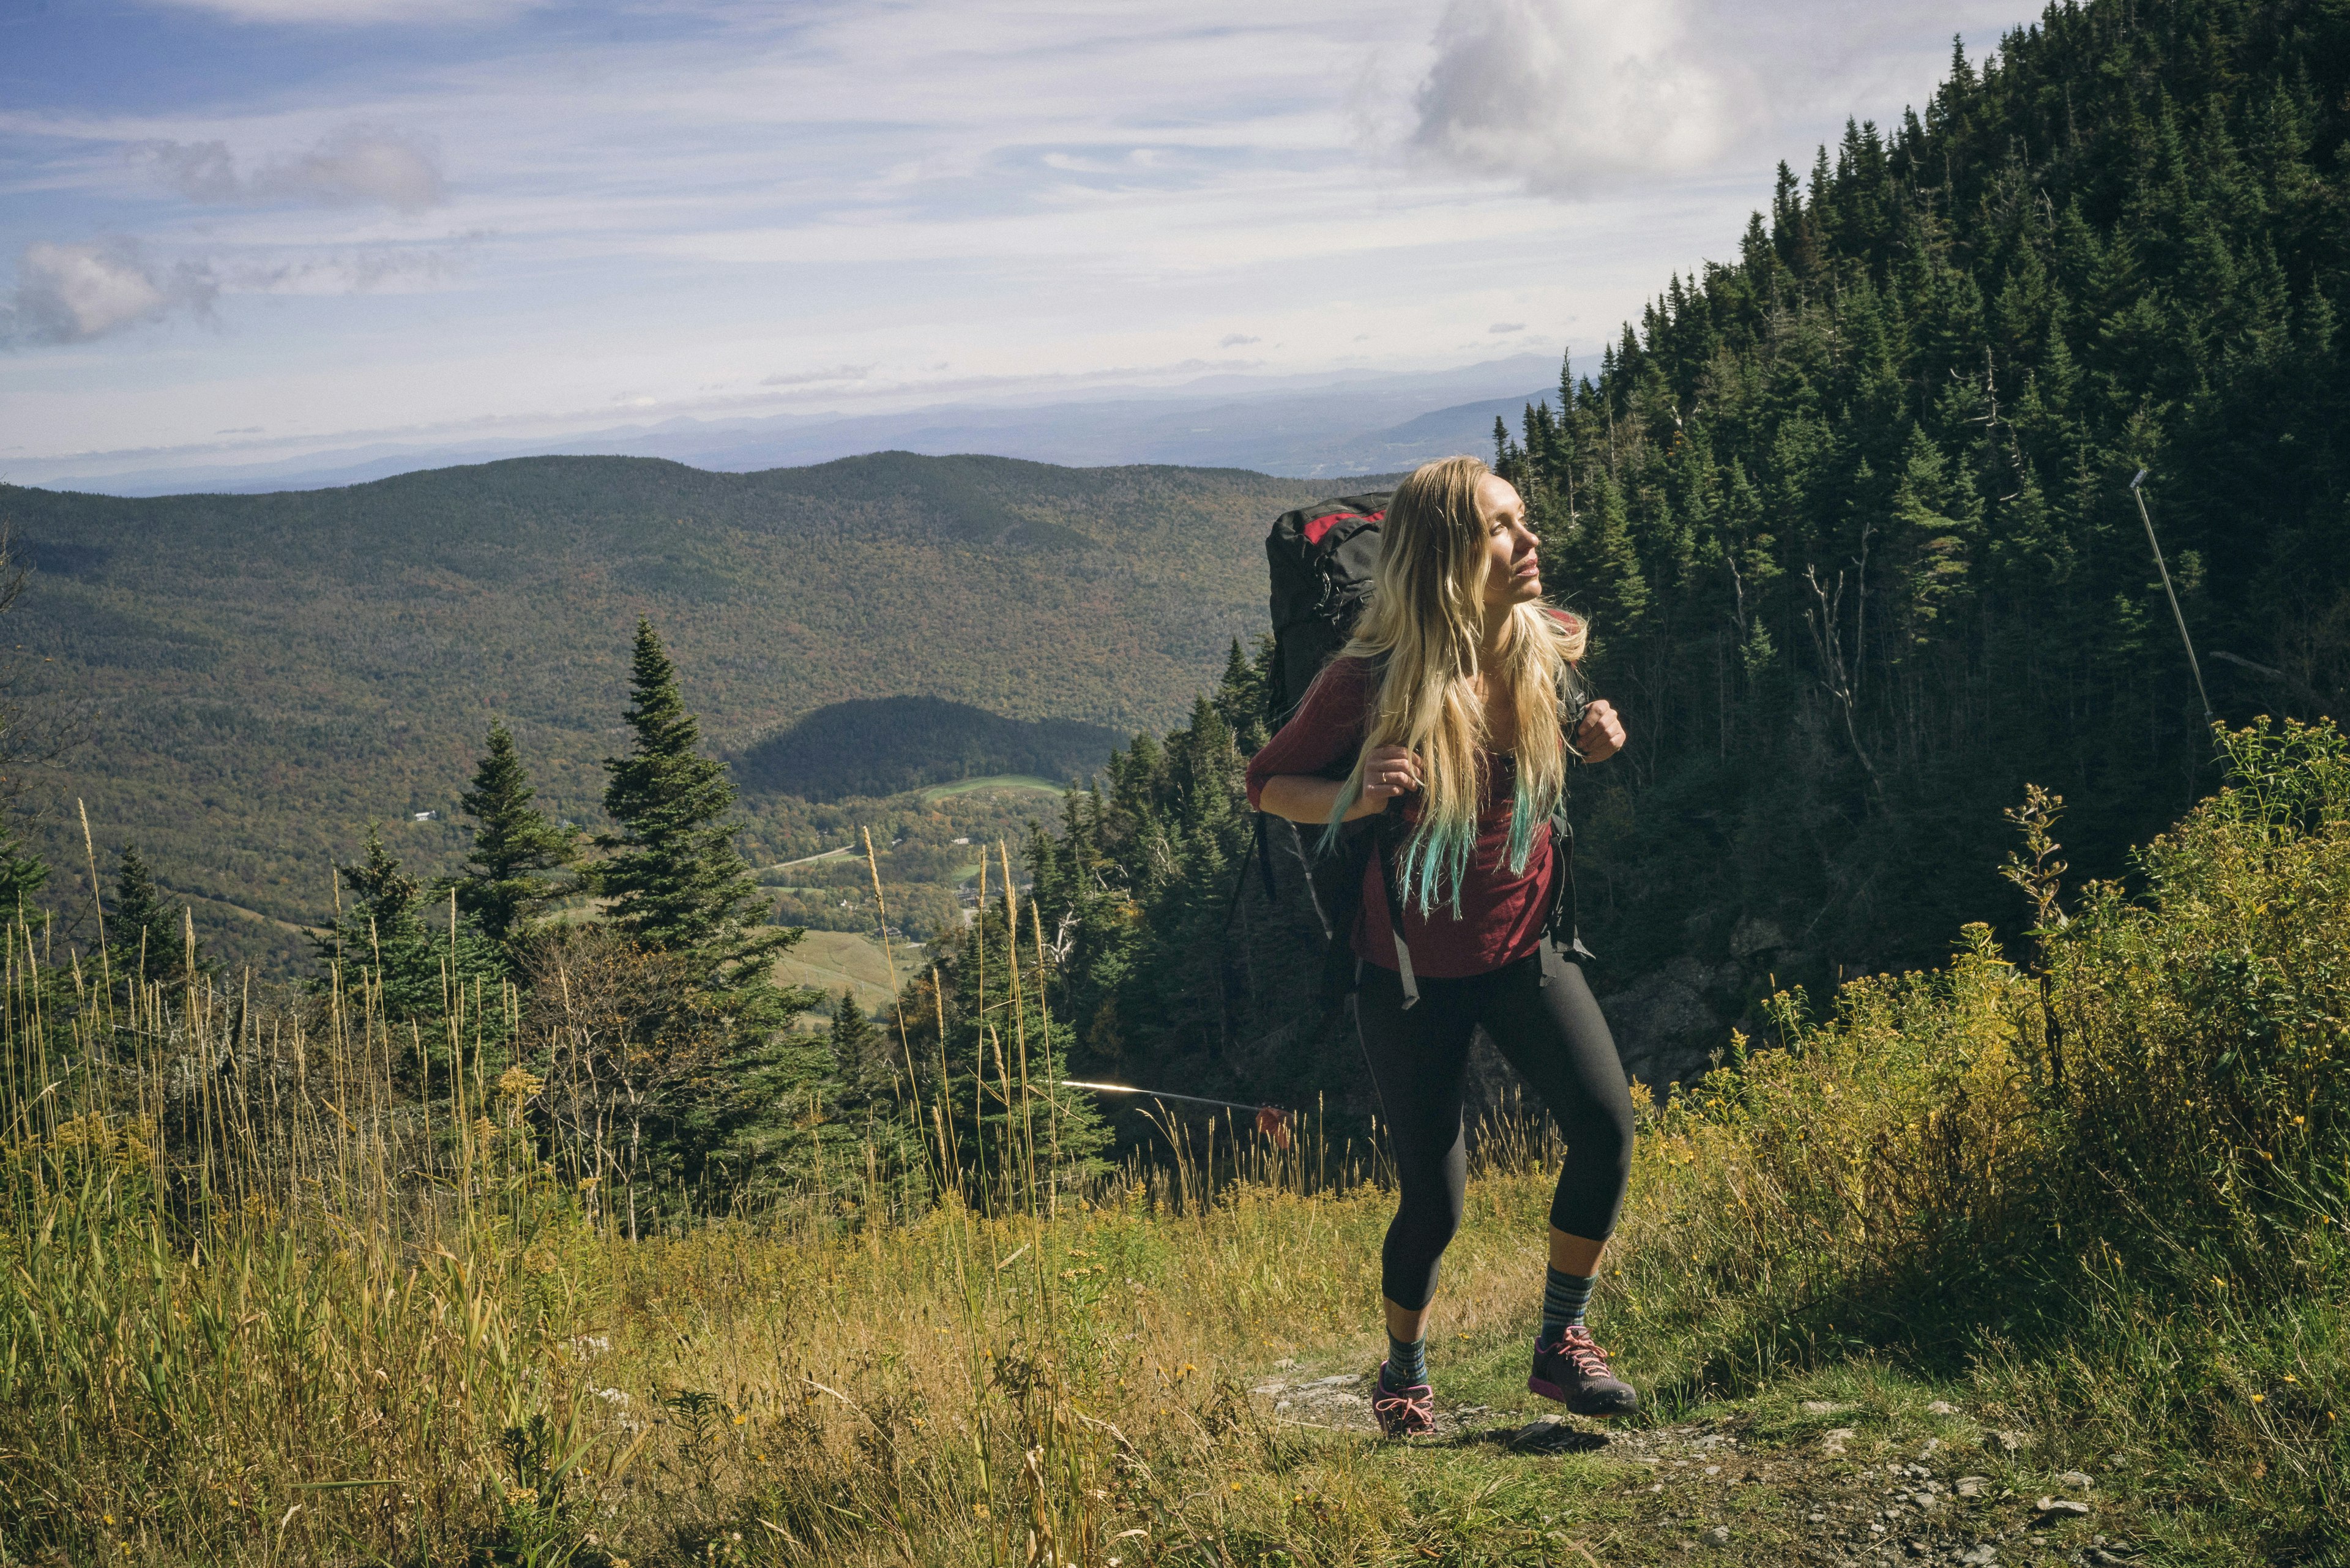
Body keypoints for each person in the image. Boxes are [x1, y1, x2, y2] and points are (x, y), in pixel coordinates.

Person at [1245, 454, 1636, 1439]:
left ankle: (1561, 1344)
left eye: (1523, 520)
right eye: (1501, 528)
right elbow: (1266, 783)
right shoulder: (1368, 681)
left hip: (1524, 946)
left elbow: (1565, 726)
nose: (1529, 540)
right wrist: (1355, 796)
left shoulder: (1544, 642)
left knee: (1605, 1127)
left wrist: (1590, 734)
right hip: (1412, 975)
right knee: (1435, 1204)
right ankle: (1405, 1369)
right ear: (1446, 558)